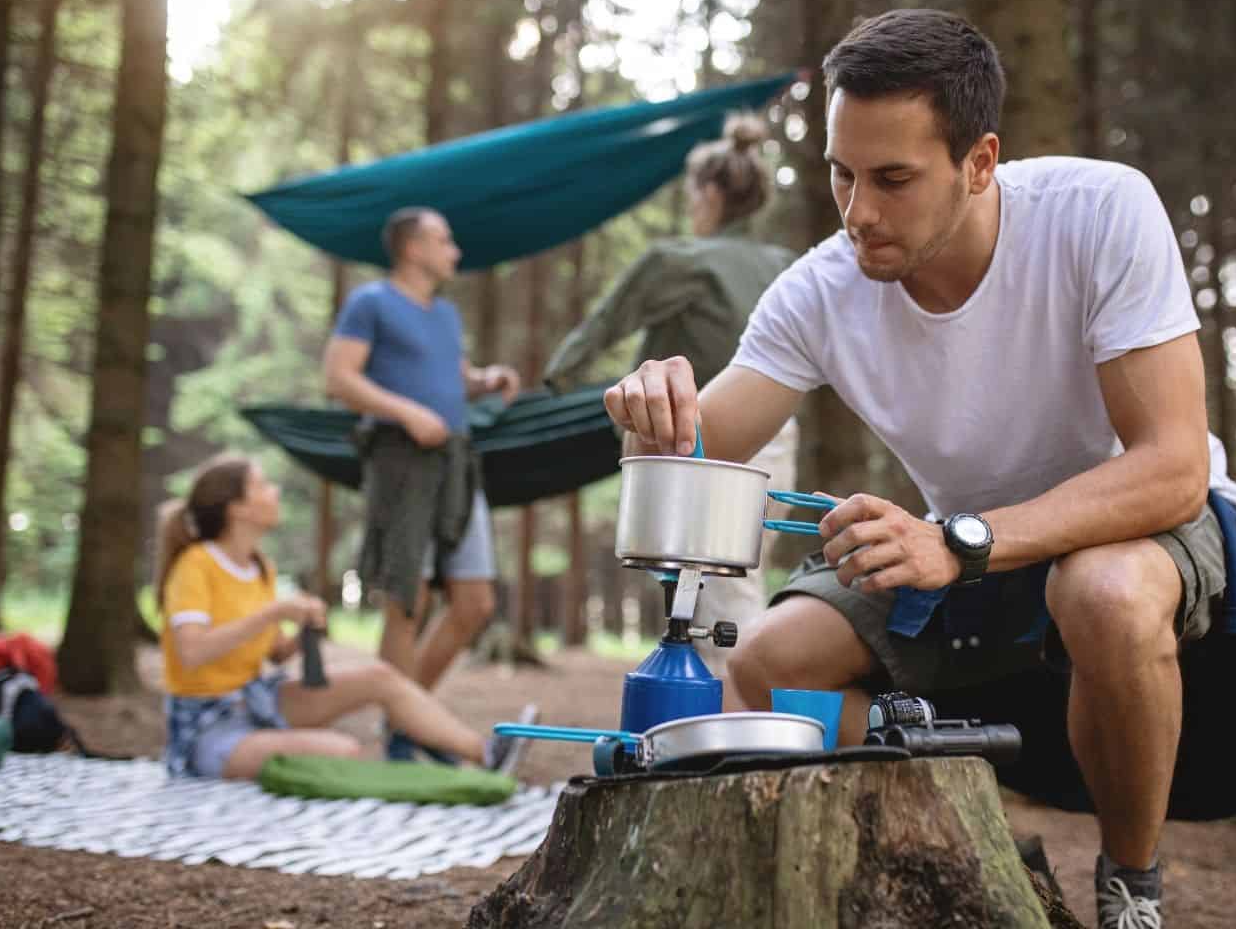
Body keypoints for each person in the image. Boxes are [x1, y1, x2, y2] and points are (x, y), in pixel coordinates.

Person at [601, 10, 1236, 928]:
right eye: (841, 175)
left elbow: (1170, 468)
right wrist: (650, 414)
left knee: (1103, 594)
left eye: (893, 178)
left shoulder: (1100, 212)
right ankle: (985, 839)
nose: (860, 214)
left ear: (979, 164)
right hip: (956, 542)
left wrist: (961, 541)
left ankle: (1130, 885)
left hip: (1126, 526)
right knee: (772, 666)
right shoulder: (821, 287)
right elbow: (699, 447)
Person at [543, 114, 799, 675]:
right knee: (736, 582)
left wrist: (553, 381)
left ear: (708, 192)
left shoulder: (681, 260)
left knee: (713, 593)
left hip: (709, 441)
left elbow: (606, 322)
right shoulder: (784, 267)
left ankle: (737, 732)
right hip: (779, 438)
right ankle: (729, 714)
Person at [156, 454, 527, 779]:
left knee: (381, 677)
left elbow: (275, 653)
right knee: (342, 751)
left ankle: (487, 753)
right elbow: (192, 651)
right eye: (262, 485)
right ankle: (256, 752)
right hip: (205, 727)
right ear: (237, 507)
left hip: (256, 701)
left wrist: (302, 631)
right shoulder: (196, 565)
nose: (275, 492)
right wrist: (275, 611)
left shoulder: (259, 567)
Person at [324, 207, 537, 761]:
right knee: (407, 598)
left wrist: (484, 381)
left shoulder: (443, 313)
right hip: (400, 462)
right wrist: (406, 413)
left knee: (474, 601)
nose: (455, 251)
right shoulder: (370, 303)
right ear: (412, 248)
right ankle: (407, 729)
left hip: (457, 464)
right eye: (445, 240)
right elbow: (338, 378)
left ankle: (410, 718)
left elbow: (451, 375)